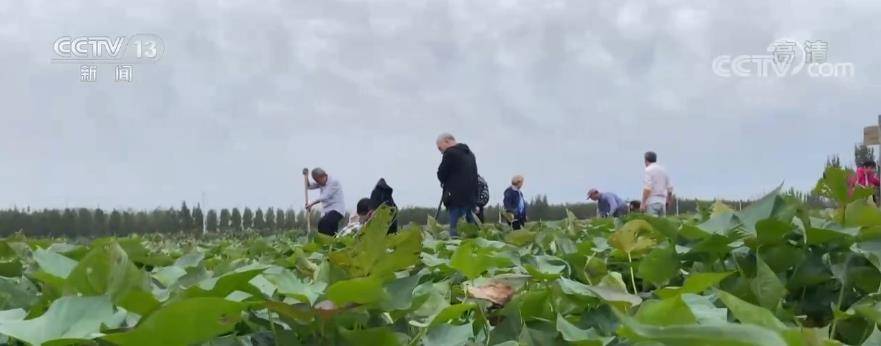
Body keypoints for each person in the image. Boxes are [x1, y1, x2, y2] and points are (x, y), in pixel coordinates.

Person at [436, 133, 478, 238]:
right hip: (470, 200)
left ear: (447, 141)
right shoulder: (470, 155)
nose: (441, 152)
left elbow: (441, 174)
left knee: (455, 233)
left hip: (455, 200)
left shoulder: (450, 153)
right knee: (470, 232)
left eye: (440, 148)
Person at [305, 168, 345, 236]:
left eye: (318, 181)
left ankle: (327, 242)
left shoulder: (334, 182)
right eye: (316, 181)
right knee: (331, 230)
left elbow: (324, 196)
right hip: (327, 211)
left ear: (323, 176)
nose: (318, 183)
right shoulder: (321, 182)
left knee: (323, 223)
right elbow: (309, 186)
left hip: (336, 210)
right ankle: (332, 243)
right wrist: (306, 177)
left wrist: (311, 204)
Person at [641, 151, 673, 217]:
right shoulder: (663, 170)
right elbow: (670, 189)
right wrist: (668, 201)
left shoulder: (648, 170)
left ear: (646, 160)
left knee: (652, 225)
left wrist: (643, 203)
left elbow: (647, 188)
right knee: (661, 225)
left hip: (652, 202)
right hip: (662, 203)